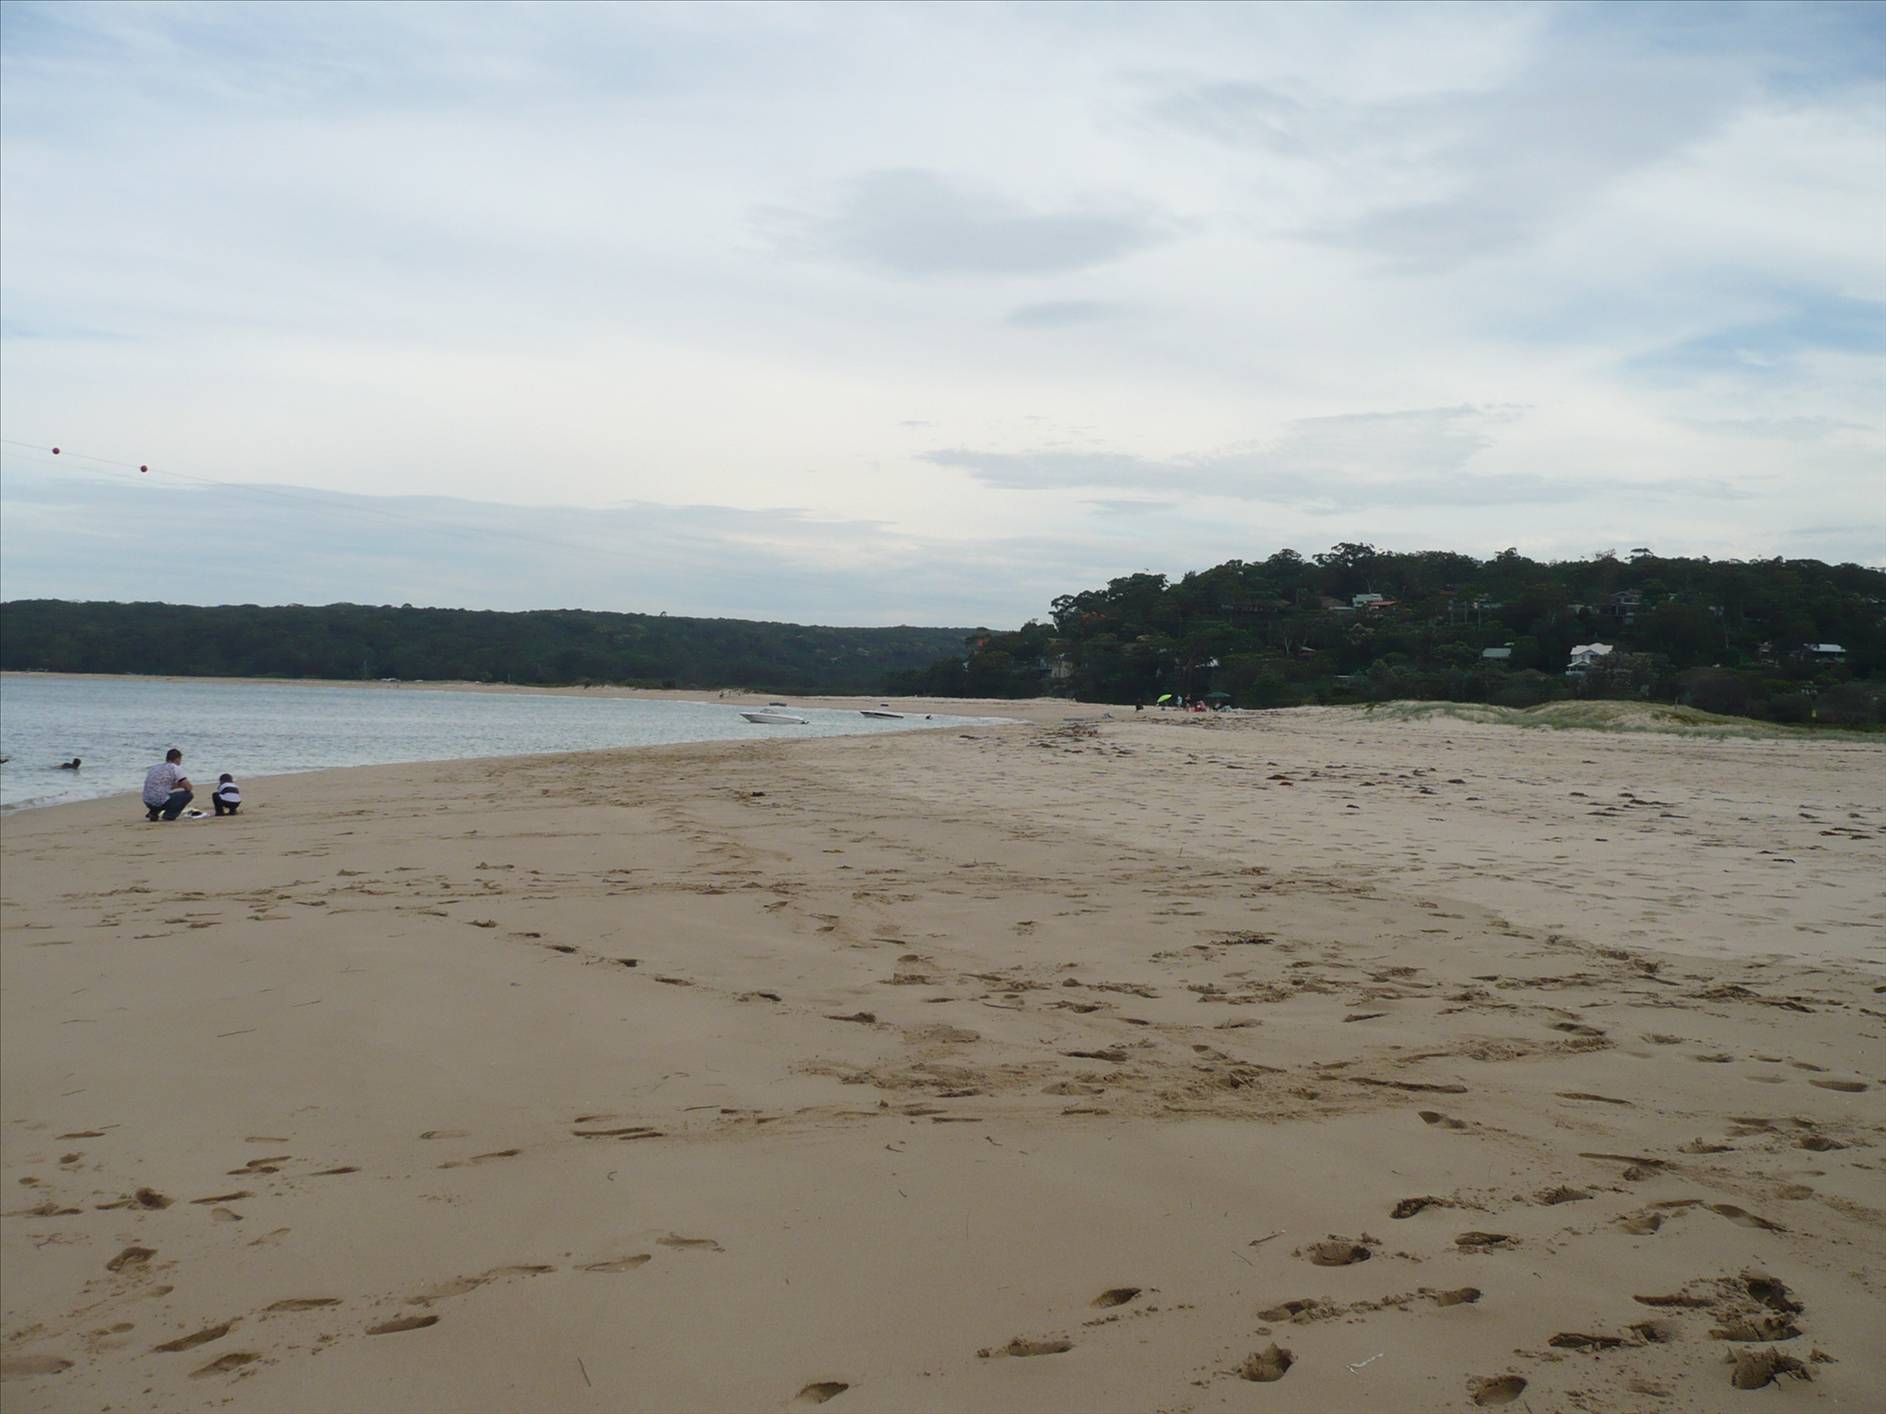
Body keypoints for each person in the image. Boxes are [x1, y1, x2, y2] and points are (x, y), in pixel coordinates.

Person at [142, 748, 192, 822]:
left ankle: (154, 812)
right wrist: (181, 785)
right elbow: (188, 787)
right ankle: (170, 815)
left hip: (147, 800)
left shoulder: (155, 767)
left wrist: (177, 785)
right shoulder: (175, 768)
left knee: (161, 794)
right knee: (188, 795)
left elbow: (161, 786)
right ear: (177, 759)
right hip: (160, 800)